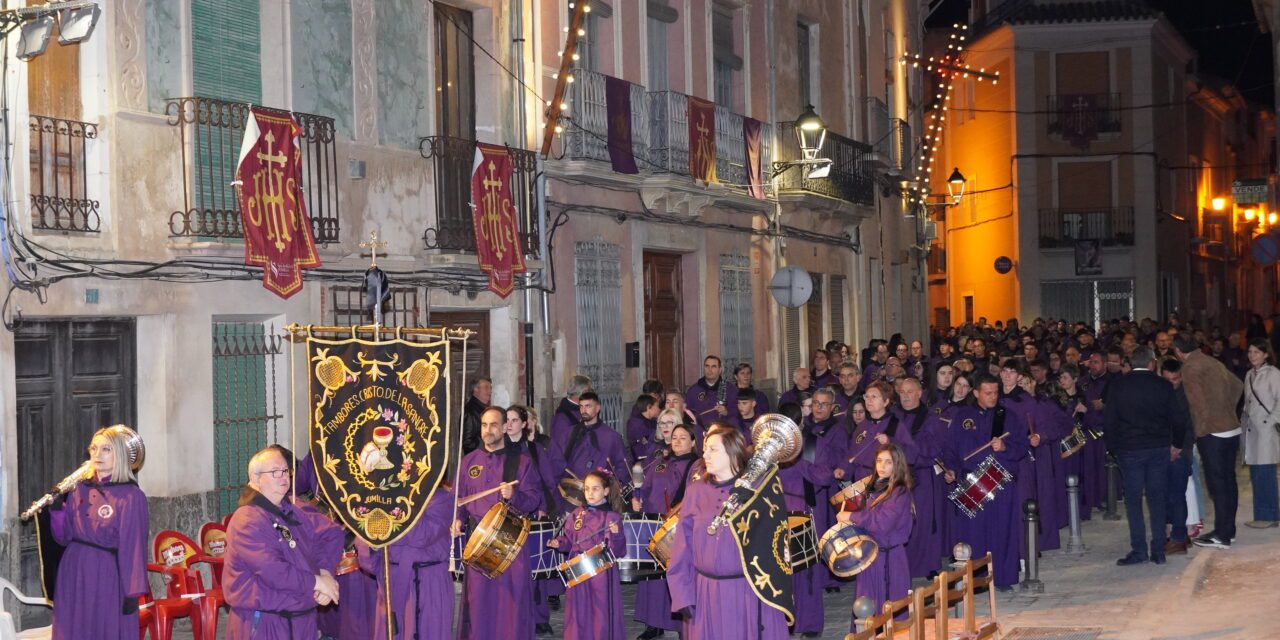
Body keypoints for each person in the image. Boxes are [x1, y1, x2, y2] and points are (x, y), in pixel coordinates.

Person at [667, 425, 789, 639]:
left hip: (748, 592)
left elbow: (777, 540)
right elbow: (681, 548)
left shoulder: (758, 490)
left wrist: (752, 496)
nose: (705, 455)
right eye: (705, 449)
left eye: (713, 449)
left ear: (733, 452)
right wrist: (682, 595)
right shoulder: (695, 491)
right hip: (705, 592)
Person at [224, 446, 344, 639]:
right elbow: (273, 570)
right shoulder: (247, 520)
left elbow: (325, 539)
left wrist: (325, 573)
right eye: (274, 472)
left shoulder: (294, 510)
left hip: (302, 621)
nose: (283, 477)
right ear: (255, 479)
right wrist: (316, 582)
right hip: (266, 623)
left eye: (286, 471)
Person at [48, 425, 149, 640]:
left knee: (103, 628)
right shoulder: (78, 489)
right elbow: (64, 536)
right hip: (73, 570)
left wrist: (132, 591)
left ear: (120, 454)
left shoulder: (131, 496)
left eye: (106, 449)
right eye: (94, 449)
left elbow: (134, 546)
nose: (97, 455)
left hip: (106, 574)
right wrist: (57, 510)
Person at [454, 406, 541, 640]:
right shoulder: (468, 461)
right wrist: (457, 521)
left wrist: (515, 495)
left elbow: (534, 498)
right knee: (479, 605)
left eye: (493, 425)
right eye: (484, 425)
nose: (488, 430)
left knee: (512, 606)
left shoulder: (521, 461)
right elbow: (458, 500)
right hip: (478, 542)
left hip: (510, 544)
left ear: (504, 427)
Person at [941, 374, 1028, 591]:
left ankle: (1003, 577)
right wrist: (951, 469)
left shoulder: (1007, 416)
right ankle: (974, 581)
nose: (992, 397)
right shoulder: (962, 416)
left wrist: (1005, 448)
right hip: (971, 481)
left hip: (999, 482)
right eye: (987, 393)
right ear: (976, 393)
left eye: (995, 392)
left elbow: (1022, 447)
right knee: (972, 533)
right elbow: (950, 449)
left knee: (1003, 531)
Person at [1103, 346, 1189, 565]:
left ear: (1131, 362)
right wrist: (1177, 444)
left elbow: (1109, 420)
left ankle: (1139, 550)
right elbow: (1178, 418)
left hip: (1129, 449)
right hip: (1158, 448)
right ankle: (1158, 550)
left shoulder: (1118, 385)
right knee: (1157, 499)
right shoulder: (1163, 385)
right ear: (1152, 363)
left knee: (1133, 501)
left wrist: (1112, 448)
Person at [355, 484, 455, 640]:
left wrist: (392, 511)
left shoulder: (441, 498)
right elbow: (366, 537)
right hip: (393, 578)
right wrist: (372, 543)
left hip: (428, 582)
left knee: (429, 631)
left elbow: (423, 534)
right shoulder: (381, 496)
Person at [1176, 335, 1245, 549]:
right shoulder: (1211, 361)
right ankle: (1228, 530)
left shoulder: (1189, 367)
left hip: (1213, 432)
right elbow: (1238, 385)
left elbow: (1197, 404)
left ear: (1178, 351)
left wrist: (1200, 431)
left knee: (1217, 485)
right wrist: (1226, 409)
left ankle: (1222, 535)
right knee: (1229, 482)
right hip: (1231, 428)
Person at [632, 424, 698, 639]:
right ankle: (653, 623)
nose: (677, 441)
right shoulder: (660, 463)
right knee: (653, 576)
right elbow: (644, 487)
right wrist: (637, 500)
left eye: (683, 437)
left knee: (678, 575)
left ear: (693, 442)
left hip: (679, 526)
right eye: (675, 437)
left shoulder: (698, 466)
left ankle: (682, 626)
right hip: (654, 523)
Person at [506, 405, 567, 635]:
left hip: (532, 513)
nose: (509, 424)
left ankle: (540, 617)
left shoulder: (534, 449)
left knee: (536, 572)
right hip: (507, 517)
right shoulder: (499, 450)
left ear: (523, 424)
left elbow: (547, 482)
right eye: (507, 420)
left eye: (514, 420)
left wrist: (543, 508)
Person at [838, 444, 913, 631]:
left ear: (898, 465)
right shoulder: (874, 487)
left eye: (889, 462)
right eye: (879, 461)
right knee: (865, 606)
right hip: (870, 556)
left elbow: (883, 523)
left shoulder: (900, 492)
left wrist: (852, 516)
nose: (883, 466)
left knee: (892, 611)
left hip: (890, 559)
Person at [775, 402, 831, 637]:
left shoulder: (813, 443)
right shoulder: (771, 447)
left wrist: (802, 466)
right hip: (775, 513)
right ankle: (783, 621)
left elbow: (826, 476)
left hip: (801, 510)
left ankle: (808, 623)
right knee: (779, 570)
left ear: (800, 424)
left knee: (805, 572)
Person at [549, 470, 626, 640]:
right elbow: (570, 540)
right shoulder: (577, 513)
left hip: (600, 576)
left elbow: (618, 551)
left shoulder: (611, 516)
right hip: (578, 572)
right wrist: (559, 543)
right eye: (587, 489)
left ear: (605, 491)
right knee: (578, 613)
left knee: (600, 615)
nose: (590, 493)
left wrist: (617, 534)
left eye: (595, 489)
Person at [1242, 338, 1280, 528]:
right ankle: (1261, 515)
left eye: (1256, 352)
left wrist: (1270, 421)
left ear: (1266, 354)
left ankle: (1271, 515)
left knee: (1266, 471)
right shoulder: (1249, 374)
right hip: (1252, 429)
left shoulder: (1273, 374)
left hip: (1266, 429)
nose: (1252, 355)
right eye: (1250, 352)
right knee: (1256, 472)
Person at [1158, 359, 1195, 555]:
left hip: (1181, 451)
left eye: (1175, 379)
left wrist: (1178, 447)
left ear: (1181, 376)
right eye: (1167, 379)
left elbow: (1189, 425)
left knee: (1176, 495)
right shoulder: (1163, 392)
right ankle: (1177, 533)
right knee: (1167, 495)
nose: (1172, 383)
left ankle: (1179, 537)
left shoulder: (1186, 395)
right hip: (1166, 449)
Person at [554, 392, 631, 481]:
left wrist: (613, 484)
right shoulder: (568, 434)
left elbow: (622, 465)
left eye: (588, 406)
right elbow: (557, 461)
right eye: (581, 406)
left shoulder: (612, 437)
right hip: (572, 488)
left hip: (600, 489)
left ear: (598, 408)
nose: (584, 410)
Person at [686, 356, 729, 427]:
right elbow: (687, 414)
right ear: (703, 368)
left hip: (722, 431)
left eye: (714, 366)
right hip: (699, 432)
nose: (710, 370)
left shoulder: (730, 389)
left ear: (720, 370)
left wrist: (727, 412)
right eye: (707, 366)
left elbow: (737, 413)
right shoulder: (693, 390)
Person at [551, 375, 593, 441]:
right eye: (590, 391)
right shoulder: (562, 418)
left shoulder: (583, 410)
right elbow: (561, 445)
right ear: (583, 393)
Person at [627, 395, 663, 463]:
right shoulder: (638, 425)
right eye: (657, 406)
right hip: (643, 461)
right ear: (649, 407)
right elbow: (645, 446)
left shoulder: (648, 421)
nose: (659, 409)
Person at [462, 377, 494, 454]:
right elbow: (467, 443)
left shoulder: (484, 409)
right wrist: (487, 445)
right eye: (486, 387)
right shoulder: (471, 411)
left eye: (490, 388)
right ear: (476, 389)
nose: (490, 391)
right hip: (478, 459)